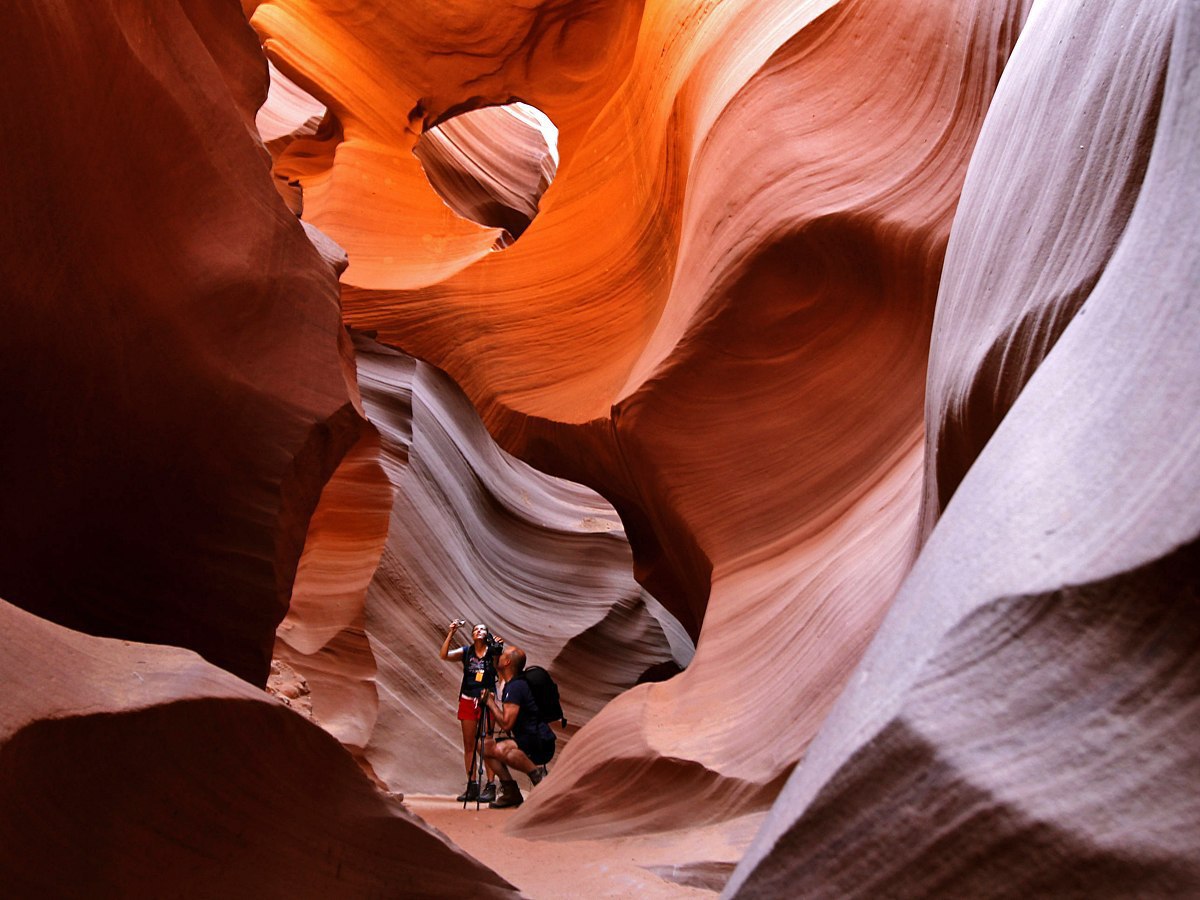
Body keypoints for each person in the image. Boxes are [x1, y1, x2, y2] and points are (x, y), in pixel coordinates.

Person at [479, 645, 556, 809]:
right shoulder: (512, 684)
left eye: (502, 655)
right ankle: (511, 792)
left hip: (539, 742)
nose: (499, 656)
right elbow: (508, 727)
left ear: (507, 662)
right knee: (484, 746)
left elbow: (506, 724)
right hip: (528, 738)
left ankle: (540, 779)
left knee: (501, 749)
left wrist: (491, 704)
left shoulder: (516, 687)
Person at [439, 620, 503, 803]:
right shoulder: (466, 652)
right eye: (476, 629)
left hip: (487, 700)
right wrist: (451, 632)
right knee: (469, 745)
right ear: (472, 635)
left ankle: (491, 785)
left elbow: (498, 667)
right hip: (468, 699)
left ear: (487, 634)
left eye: (483, 629)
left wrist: (497, 648)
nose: (479, 631)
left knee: (487, 742)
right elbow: (444, 655)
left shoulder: (492, 651)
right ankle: (472, 785)